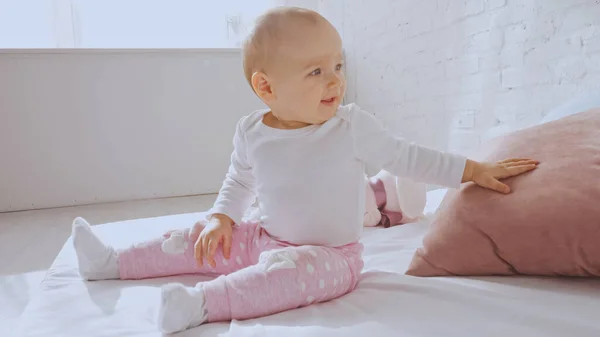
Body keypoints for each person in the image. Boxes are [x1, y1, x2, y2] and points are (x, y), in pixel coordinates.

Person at [71, 7, 538, 333]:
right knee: (198, 238)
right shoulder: (252, 131)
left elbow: (407, 156)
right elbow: (238, 181)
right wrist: (222, 217)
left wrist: (471, 169)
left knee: (284, 277)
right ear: (266, 87)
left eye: (338, 64)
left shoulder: (351, 126)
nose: (335, 79)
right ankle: (114, 262)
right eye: (315, 72)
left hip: (333, 257)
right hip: (266, 235)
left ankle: (203, 305)